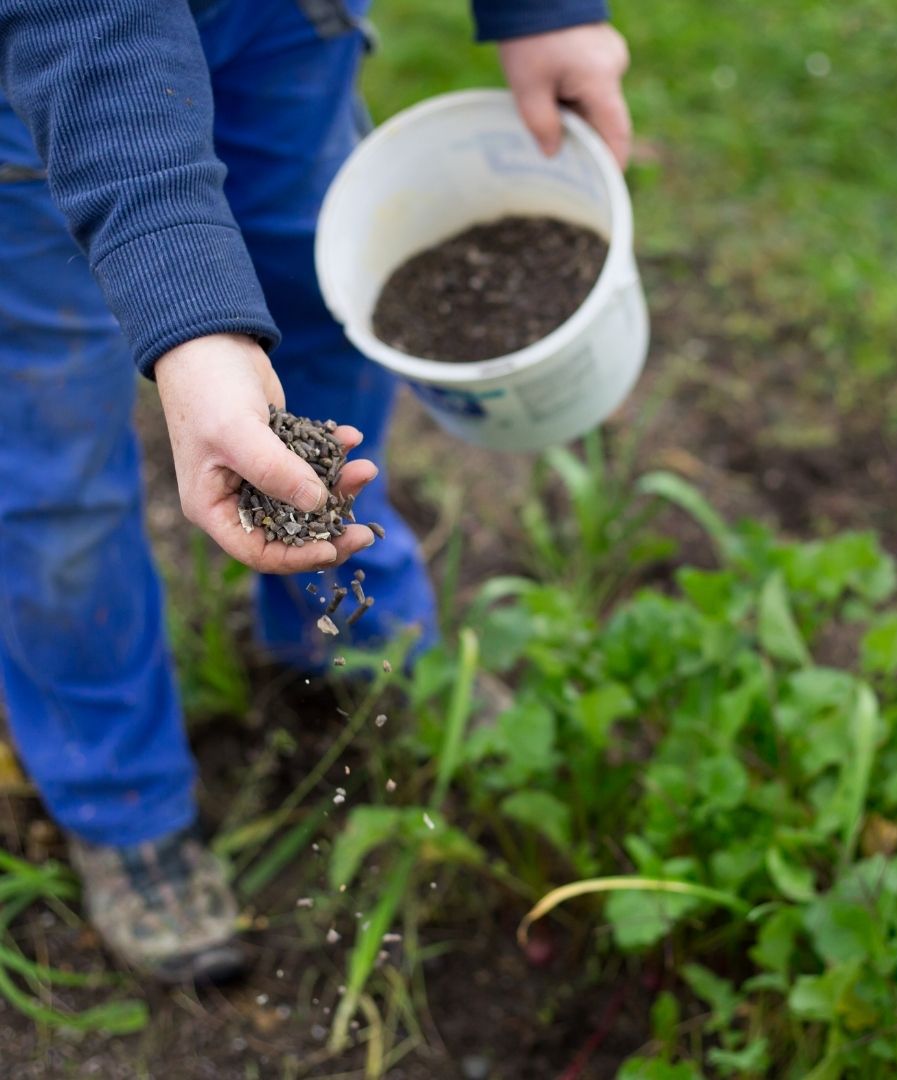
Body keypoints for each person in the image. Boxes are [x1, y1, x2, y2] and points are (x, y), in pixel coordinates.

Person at [0, 0, 631, 982]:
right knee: (53, 476)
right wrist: (192, 321)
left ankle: (344, 632)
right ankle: (120, 798)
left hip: (282, 18)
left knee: (324, 305)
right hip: (47, 60)